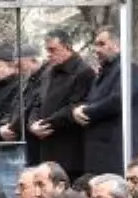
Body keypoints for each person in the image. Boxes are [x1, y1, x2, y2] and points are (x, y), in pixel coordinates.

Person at [74, 27, 138, 175]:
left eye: (101, 44)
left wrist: (86, 111)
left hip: (115, 152)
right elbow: (92, 100)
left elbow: (118, 100)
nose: (96, 49)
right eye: (95, 44)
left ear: (117, 45)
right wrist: (77, 110)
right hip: (97, 153)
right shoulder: (103, 73)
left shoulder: (129, 69)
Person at [30, 30, 97, 181]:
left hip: (69, 149)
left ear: (67, 47)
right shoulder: (48, 72)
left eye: (53, 50)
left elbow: (75, 106)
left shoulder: (84, 72)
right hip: (46, 145)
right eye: (47, 50)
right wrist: (32, 124)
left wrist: (46, 124)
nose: (49, 54)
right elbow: (36, 102)